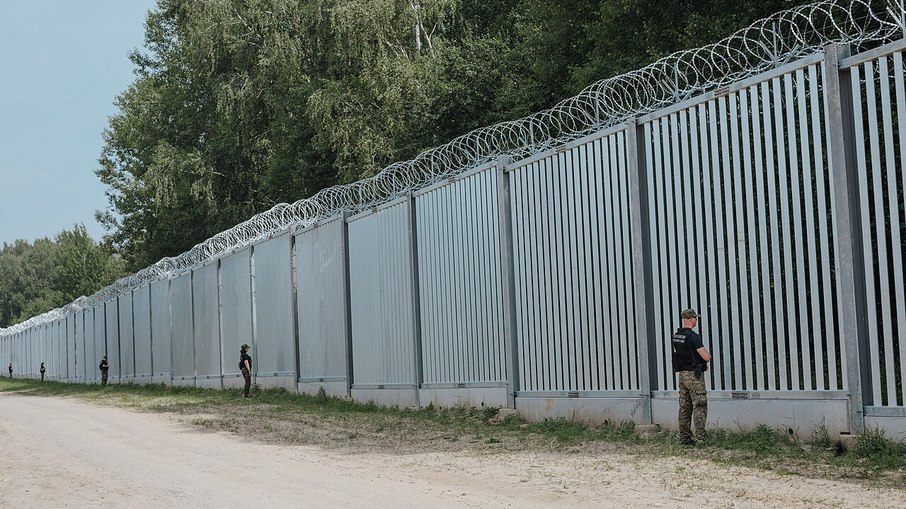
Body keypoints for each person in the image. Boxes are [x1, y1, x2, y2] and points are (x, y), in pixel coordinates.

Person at [672, 308, 711, 445]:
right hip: (694, 376)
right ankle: (701, 438)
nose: (696, 321)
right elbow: (705, 357)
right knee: (700, 405)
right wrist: (709, 356)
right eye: (695, 318)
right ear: (692, 319)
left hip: (682, 375)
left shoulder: (677, 336)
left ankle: (684, 438)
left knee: (685, 407)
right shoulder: (693, 336)